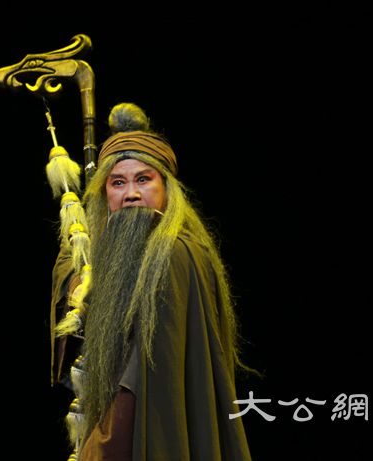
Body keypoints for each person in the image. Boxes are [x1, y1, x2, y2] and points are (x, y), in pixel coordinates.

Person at [50, 102, 254, 460]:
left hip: (146, 430)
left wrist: (100, 447)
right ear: (105, 194)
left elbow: (143, 374)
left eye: (143, 179)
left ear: (166, 189)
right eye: (118, 182)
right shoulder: (112, 259)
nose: (131, 193)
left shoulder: (176, 254)